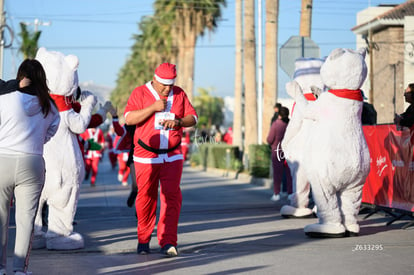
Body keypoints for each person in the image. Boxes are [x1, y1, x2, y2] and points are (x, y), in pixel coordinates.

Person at [124, 62, 198, 257]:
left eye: (170, 85)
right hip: (146, 156)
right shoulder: (140, 93)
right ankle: (143, 240)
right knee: (146, 197)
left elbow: (194, 118)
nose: (167, 88)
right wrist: (152, 108)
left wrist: (180, 121)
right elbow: (129, 119)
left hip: (173, 155)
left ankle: (168, 241)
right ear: (155, 78)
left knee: (172, 197)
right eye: (163, 84)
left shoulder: (179, 93)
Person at [0, 59, 60, 275]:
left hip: (2, 159)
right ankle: (19, 270)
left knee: (1, 218)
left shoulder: (5, 98)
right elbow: (50, 133)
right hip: (32, 161)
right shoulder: (50, 105)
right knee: (26, 221)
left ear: (20, 76)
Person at [266, 106, 292, 202]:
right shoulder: (290, 124)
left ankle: (276, 193)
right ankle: (290, 193)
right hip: (288, 151)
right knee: (289, 173)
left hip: (277, 151)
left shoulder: (276, 124)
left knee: (277, 174)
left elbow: (270, 139)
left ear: (279, 115)